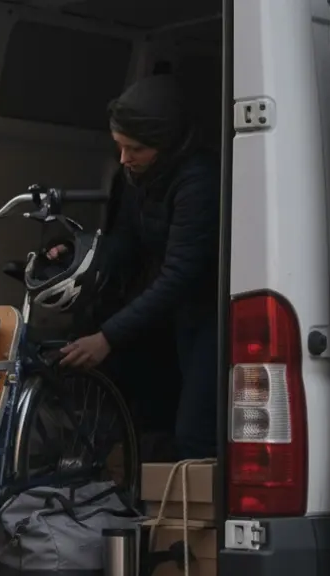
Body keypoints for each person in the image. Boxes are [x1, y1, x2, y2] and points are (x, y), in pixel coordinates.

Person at [53, 74, 221, 460]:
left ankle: (192, 515)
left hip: (205, 313)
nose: (125, 159)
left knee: (195, 434)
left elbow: (182, 274)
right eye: (119, 147)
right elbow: (125, 243)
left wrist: (108, 337)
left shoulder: (199, 181)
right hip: (165, 310)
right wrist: (75, 255)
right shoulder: (134, 176)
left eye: (137, 149)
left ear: (169, 144)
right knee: (147, 415)